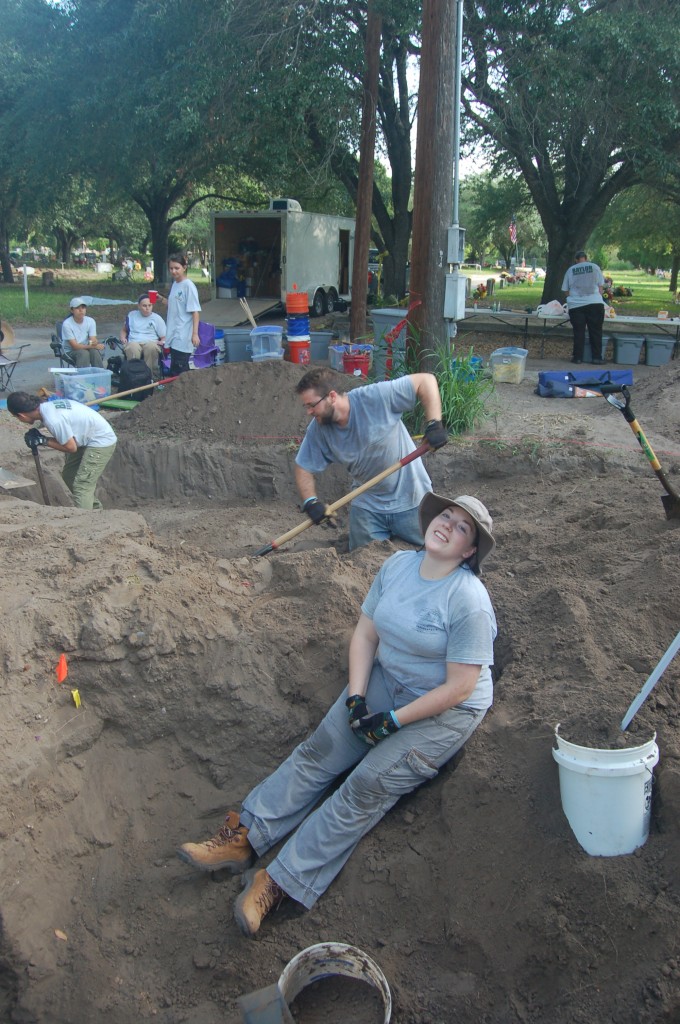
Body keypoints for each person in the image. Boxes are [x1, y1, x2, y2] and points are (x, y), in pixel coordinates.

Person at [178, 491, 497, 937]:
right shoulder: (398, 567)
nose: (447, 525)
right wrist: (357, 698)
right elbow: (366, 635)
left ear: (468, 551)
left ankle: (278, 882)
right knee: (321, 749)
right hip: (391, 676)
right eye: (446, 515)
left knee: (365, 785)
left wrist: (394, 721)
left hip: (445, 709)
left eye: (462, 527)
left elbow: (461, 686)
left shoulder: (468, 600)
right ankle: (245, 838)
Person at [293, 367, 449, 550]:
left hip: (411, 498)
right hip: (368, 507)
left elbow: (425, 380)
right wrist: (310, 502)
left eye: (312, 405)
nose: (309, 412)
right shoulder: (319, 430)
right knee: (361, 556)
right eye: (307, 406)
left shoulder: (375, 398)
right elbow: (303, 465)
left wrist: (434, 424)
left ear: (332, 397)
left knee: (436, 550)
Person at [7, 391, 117, 510]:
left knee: (82, 485)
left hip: (101, 441)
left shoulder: (53, 419)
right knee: (69, 476)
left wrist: (43, 440)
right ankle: (95, 511)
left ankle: (85, 522)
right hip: (86, 437)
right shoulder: (47, 408)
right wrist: (43, 439)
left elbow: (71, 447)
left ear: (21, 415)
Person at [159, 252, 201, 376]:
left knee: (180, 370)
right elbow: (175, 305)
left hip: (183, 334)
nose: (174, 271)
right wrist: (161, 299)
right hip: (173, 333)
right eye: (171, 268)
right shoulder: (175, 284)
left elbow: (195, 312)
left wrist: (195, 334)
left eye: (177, 268)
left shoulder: (188, 286)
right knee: (175, 368)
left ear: (184, 267)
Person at [561, 250, 606, 364]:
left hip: (576, 305)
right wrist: (597, 297)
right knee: (596, 331)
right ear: (586, 258)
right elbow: (600, 287)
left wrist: (573, 298)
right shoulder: (595, 267)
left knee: (578, 332)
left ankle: (578, 358)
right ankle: (596, 358)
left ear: (576, 260)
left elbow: (565, 290)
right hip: (595, 303)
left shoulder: (571, 270)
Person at [120, 293, 166, 377]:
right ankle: (134, 375)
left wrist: (162, 341)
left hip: (151, 342)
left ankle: (147, 375)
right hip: (134, 341)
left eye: (150, 305)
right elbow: (124, 330)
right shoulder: (132, 315)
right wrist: (123, 338)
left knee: (151, 347)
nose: (147, 308)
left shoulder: (157, 318)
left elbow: (164, 336)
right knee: (132, 347)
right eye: (144, 306)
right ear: (139, 306)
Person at [61, 298, 105, 368]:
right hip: (70, 351)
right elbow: (74, 346)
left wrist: (94, 343)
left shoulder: (91, 321)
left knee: (94, 352)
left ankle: (100, 375)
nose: (81, 310)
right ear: (72, 310)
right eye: (77, 308)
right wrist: (94, 346)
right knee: (84, 353)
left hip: (86, 347)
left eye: (83, 307)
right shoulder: (67, 324)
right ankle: (82, 377)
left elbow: (92, 340)